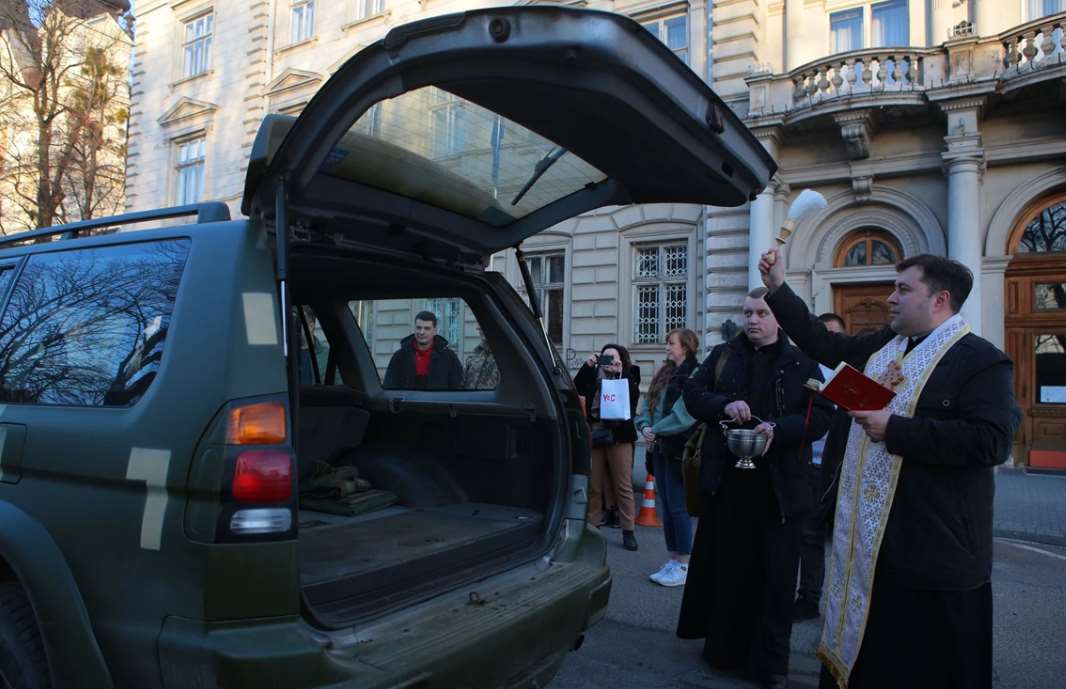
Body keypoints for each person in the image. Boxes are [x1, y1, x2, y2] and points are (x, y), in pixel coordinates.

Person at [758, 250, 1023, 689]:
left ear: (939, 300)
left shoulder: (980, 360)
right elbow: (825, 344)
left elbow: (991, 441)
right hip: (870, 543)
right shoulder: (886, 345)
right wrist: (778, 290)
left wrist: (896, 429)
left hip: (931, 549)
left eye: (903, 289)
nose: (890, 298)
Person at [677, 288, 832, 689]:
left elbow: (821, 417)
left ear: (779, 318)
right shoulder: (725, 354)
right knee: (729, 571)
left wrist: (779, 430)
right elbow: (693, 394)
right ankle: (724, 651)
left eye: (762, 313)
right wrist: (723, 406)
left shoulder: (802, 362)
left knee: (776, 581)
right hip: (728, 486)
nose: (752, 320)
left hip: (780, 491)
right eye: (747, 312)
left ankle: (770, 665)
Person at [793, 313, 849, 622]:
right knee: (809, 535)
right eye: (823, 334)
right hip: (810, 465)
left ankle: (844, 606)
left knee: (844, 539)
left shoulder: (851, 373)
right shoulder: (804, 368)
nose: (829, 340)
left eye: (834, 335)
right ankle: (808, 597)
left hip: (841, 469)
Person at [634, 328, 700, 587]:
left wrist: (655, 431)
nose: (667, 348)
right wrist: (645, 428)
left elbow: (684, 416)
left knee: (678, 507)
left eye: (671, 343)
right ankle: (673, 559)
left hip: (678, 450)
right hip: (659, 448)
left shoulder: (696, 374)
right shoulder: (665, 372)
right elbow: (648, 407)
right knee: (668, 509)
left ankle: (684, 564)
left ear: (685, 346)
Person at [574, 344, 641, 551]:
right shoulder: (594, 375)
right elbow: (576, 387)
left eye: (614, 357)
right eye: (606, 358)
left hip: (619, 436)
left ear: (622, 359)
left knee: (623, 485)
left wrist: (620, 374)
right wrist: (587, 366)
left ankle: (628, 530)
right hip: (596, 432)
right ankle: (592, 529)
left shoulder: (629, 375)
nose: (610, 362)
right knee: (594, 485)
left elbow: (632, 397)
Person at [383, 311, 463, 390]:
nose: (421, 332)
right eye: (419, 328)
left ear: (435, 331)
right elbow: (389, 387)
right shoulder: (400, 356)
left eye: (427, 328)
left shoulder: (449, 357)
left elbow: (458, 389)